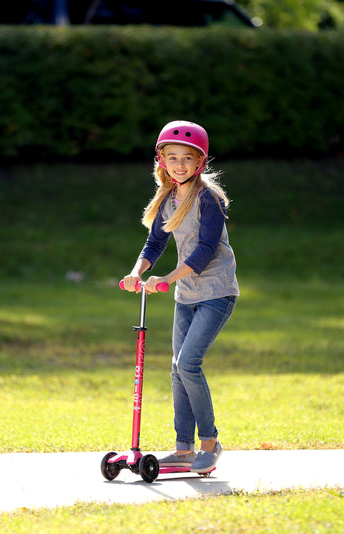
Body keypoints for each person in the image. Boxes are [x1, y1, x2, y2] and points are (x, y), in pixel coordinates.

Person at [121, 120, 239, 474]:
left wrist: (168, 278)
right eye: (172, 157)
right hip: (187, 294)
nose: (179, 165)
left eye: (187, 158)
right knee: (176, 370)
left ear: (200, 162)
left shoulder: (209, 199)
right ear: (161, 161)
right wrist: (136, 272)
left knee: (188, 363)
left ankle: (210, 443)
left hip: (217, 292)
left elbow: (205, 250)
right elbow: (155, 243)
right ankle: (183, 448)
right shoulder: (168, 199)